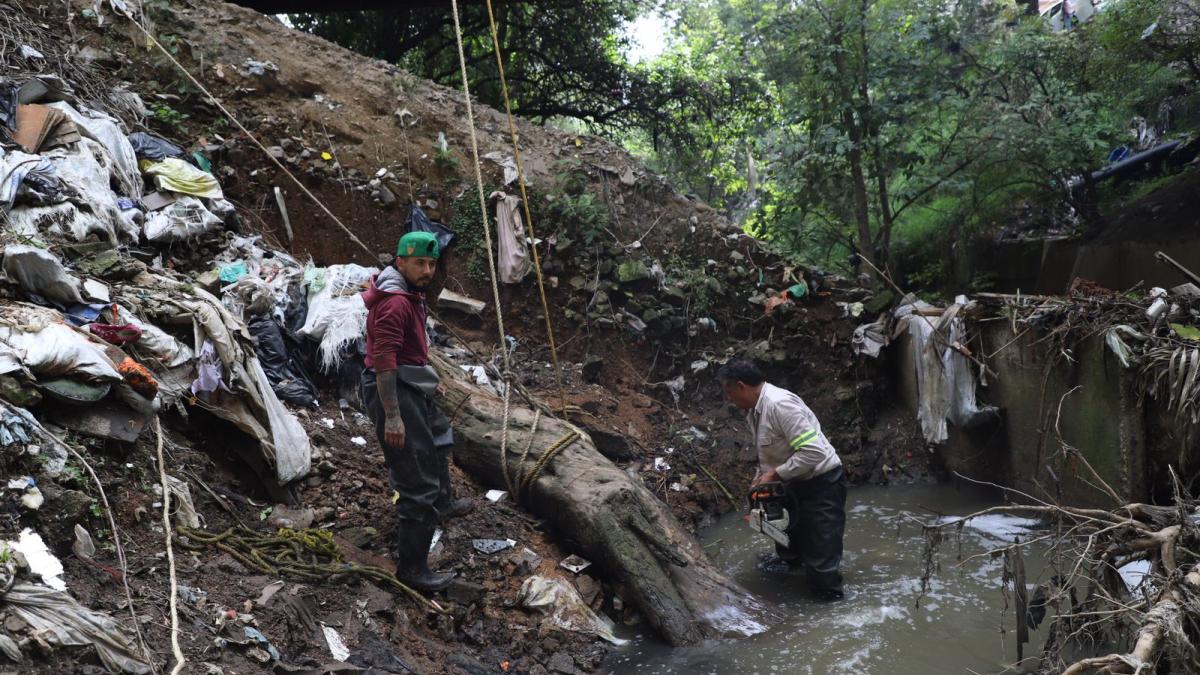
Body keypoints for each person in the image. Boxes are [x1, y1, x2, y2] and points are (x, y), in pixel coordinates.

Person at [359, 231, 469, 593]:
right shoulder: (395, 302)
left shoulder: (411, 294)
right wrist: (393, 415)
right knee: (415, 480)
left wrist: (425, 378)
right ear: (400, 261)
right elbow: (383, 360)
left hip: (412, 383)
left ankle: (443, 503)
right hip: (394, 390)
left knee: (439, 439)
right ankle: (413, 569)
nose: (427, 270)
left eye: (432, 263)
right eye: (420, 263)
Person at [719, 359, 847, 600]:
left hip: (822, 483)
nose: (728, 399)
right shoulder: (755, 411)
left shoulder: (780, 405)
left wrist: (775, 475)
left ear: (741, 386)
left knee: (821, 563)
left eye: (728, 392)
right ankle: (793, 580)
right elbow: (772, 453)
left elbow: (814, 451)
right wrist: (760, 482)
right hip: (793, 483)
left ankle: (829, 604)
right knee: (789, 546)